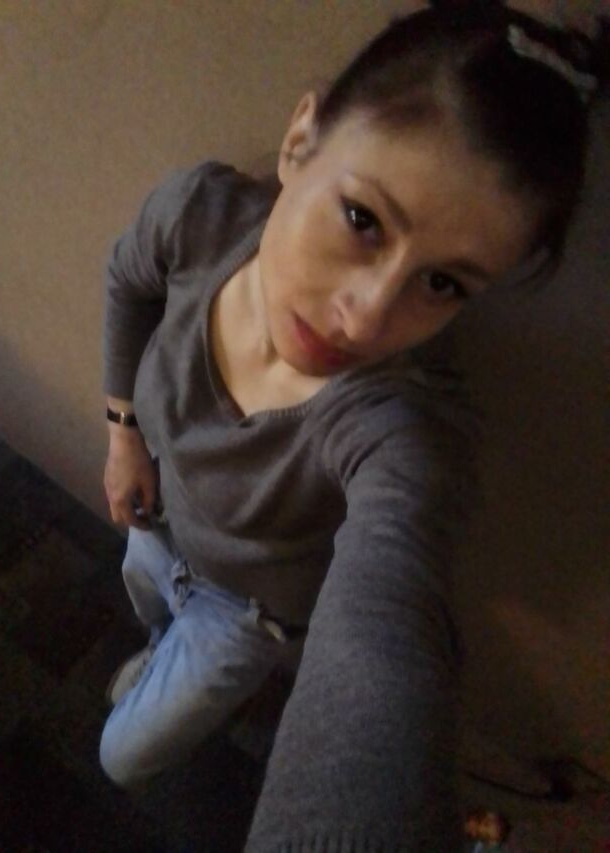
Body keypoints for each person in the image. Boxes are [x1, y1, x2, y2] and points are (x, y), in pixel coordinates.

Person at [98, 3, 606, 849]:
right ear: (301, 140)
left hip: (243, 616)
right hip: (154, 519)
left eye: (442, 284)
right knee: (145, 613)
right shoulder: (201, 217)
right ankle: (156, 648)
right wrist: (122, 432)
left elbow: (396, 590)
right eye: (364, 220)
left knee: (122, 756)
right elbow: (126, 279)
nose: (366, 317)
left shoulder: (402, 421)